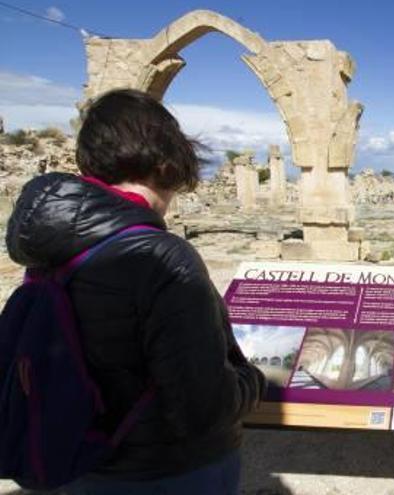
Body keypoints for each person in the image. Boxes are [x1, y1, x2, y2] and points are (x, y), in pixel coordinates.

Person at [5, 89, 266, 494]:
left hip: (80, 460)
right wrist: (255, 380)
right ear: (167, 161)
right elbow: (203, 408)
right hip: (167, 471)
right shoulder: (162, 258)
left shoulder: (53, 245)